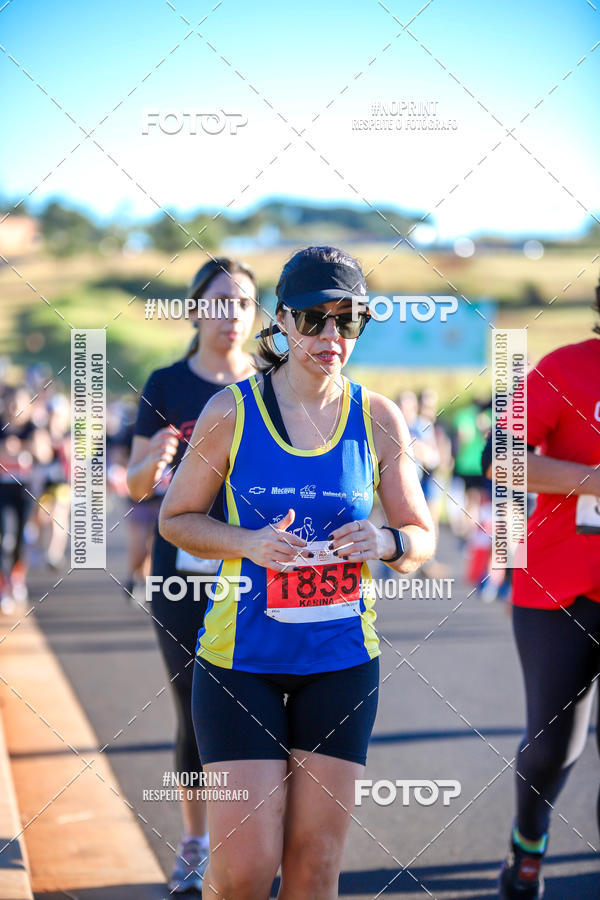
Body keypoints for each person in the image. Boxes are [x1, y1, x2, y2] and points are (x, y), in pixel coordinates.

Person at [159, 245, 436, 900]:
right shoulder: (232, 411)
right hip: (241, 661)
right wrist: (249, 542)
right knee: (245, 869)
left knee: (315, 869)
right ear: (282, 321)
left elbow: (420, 537)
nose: (332, 337)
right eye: (315, 319)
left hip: (340, 661)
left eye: (349, 321)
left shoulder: (378, 416)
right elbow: (177, 518)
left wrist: (386, 539)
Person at [127, 257, 257, 893]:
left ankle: (255, 845)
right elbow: (132, 483)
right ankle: (197, 842)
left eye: (244, 304)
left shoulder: (271, 383)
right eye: (220, 301)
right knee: (194, 707)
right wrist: (151, 460)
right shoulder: (166, 382)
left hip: (257, 568)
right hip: (180, 569)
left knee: (259, 705)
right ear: (195, 309)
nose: (231, 315)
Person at [486, 303, 600, 898]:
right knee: (554, 745)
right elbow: (498, 460)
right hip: (560, 587)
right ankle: (527, 843)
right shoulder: (564, 370)